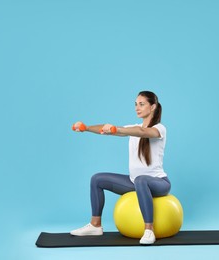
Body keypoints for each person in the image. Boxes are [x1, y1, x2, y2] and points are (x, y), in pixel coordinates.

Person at [70, 91, 171, 245]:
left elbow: (143, 132)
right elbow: (107, 129)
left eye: (141, 104)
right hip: (134, 183)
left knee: (141, 180)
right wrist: (86, 127)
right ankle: (95, 225)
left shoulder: (160, 128)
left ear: (153, 107)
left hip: (159, 183)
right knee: (97, 179)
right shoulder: (132, 128)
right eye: (136, 104)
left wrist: (118, 130)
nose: (137, 107)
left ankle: (149, 230)